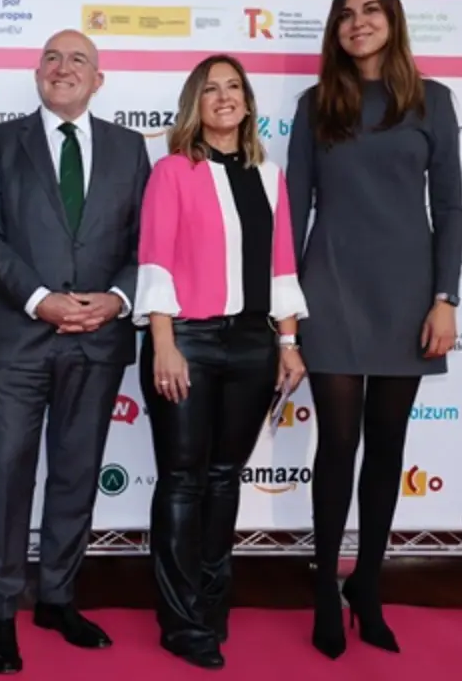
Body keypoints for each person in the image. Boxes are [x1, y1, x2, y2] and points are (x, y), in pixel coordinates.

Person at [286, 0, 462, 660]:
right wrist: (287, 314)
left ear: (392, 20)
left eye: (370, 11)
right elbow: (293, 210)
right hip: (330, 290)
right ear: (335, 30)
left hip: (408, 296)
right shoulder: (316, 104)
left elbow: (448, 207)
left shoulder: (431, 100)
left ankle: (367, 585)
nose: (357, 22)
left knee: (387, 448)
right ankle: (324, 590)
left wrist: (444, 297)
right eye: (345, 14)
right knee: (338, 445)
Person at [0, 29, 152, 674]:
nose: (63, 67)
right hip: (16, 339)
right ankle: (0, 612)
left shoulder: (130, 148)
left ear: (98, 80)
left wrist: (118, 300)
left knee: (76, 474)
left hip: (98, 339)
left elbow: (147, 243)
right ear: (36, 71)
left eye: (78, 59)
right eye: (52, 57)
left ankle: (57, 597)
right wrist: (39, 298)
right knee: (6, 475)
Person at [134, 54, 308, 670]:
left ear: (248, 102)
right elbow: (155, 260)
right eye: (212, 89)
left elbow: (281, 263)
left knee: (224, 476)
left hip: (254, 343)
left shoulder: (269, 175)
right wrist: (163, 343)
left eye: (235, 87)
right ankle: (180, 620)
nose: (225, 97)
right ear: (196, 104)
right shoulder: (173, 171)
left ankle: (210, 603)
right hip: (187, 338)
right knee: (182, 479)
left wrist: (288, 342)